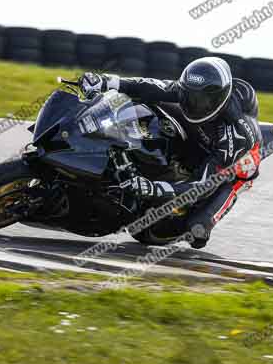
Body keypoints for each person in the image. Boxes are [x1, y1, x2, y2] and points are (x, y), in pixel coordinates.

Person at [79, 57, 262, 249]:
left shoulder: (236, 136)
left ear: (218, 100)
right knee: (151, 99)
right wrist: (106, 81)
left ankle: (202, 221)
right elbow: (152, 86)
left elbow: (202, 185)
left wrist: (154, 188)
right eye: (189, 96)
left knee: (197, 230)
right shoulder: (190, 94)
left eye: (201, 101)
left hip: (235, 167)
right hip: (204, 130)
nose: (193, 104)